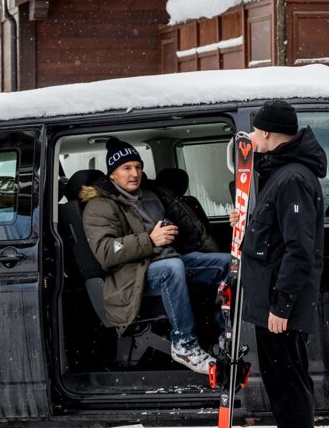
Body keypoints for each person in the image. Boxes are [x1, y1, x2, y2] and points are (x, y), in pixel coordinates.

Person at [230, 100, 327, 428]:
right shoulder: (284, 175)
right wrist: (248, 225)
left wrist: (280, 306)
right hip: (273, 302)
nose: (251, 138)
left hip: (279, 308)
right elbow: (275, 236)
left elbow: (298, 249)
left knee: (288, 385)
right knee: (286, 382)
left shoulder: (292, 179)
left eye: (255, 131)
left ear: (268, 133)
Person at [80, 137, 230, 374]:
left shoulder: (150, 196)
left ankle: (226, 335)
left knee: (226, 263)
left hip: (167, 261)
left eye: (138, 167)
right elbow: (107, 251)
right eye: (126, 168)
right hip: (131, 276)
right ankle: (184, 344)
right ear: (112, 175)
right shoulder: (99, 206)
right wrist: (150, 240)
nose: (134, 173)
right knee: (172, 268)